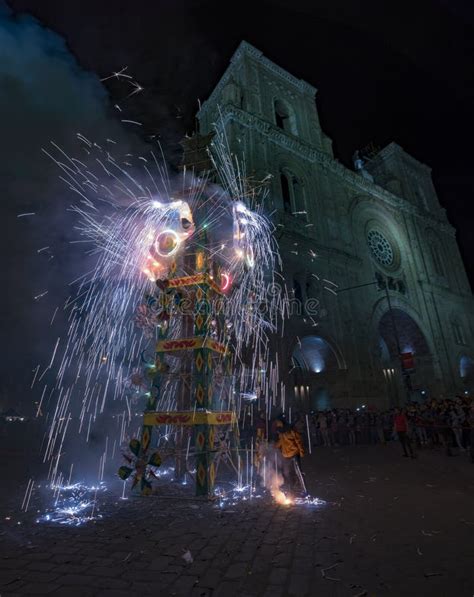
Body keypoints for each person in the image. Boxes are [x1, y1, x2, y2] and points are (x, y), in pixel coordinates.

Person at [275, 421, 305, 493]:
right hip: (289, 455)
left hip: (291, 454)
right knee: (289, 471)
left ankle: (302, 488)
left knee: (296, 471)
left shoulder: (291, 433)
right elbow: (279, 444)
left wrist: (301, 452)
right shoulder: (285, 435)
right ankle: (292, 487)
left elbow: (298, 442)